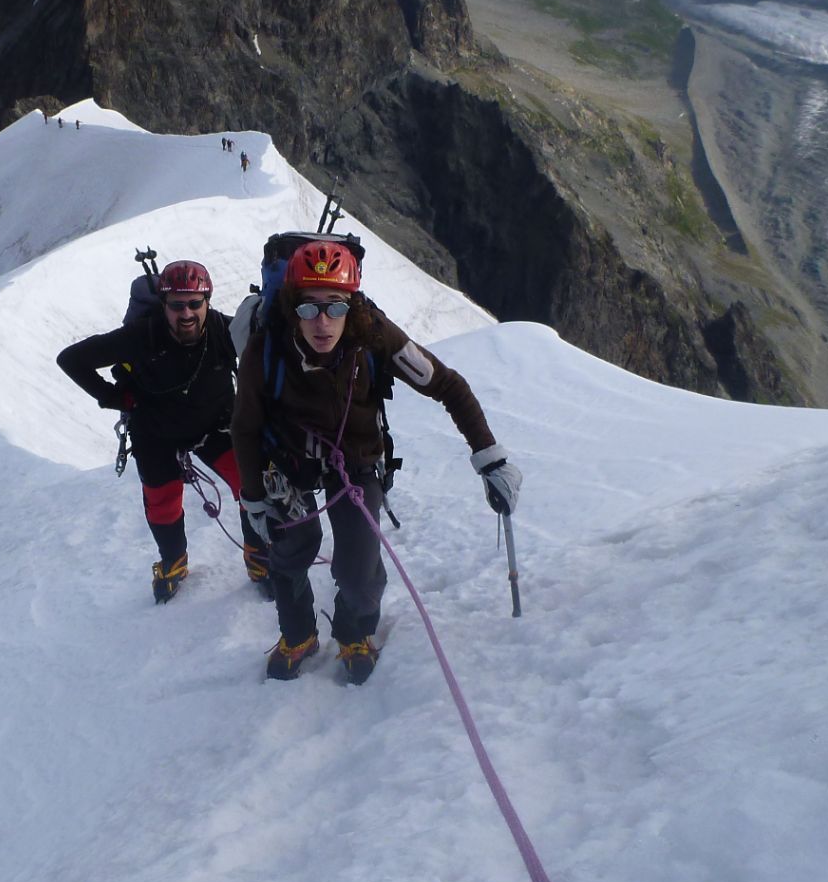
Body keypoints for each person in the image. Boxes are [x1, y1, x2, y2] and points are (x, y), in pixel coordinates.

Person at [233, 239, 521, 684]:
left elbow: (447, 385)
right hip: (286, 462)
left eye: (335, 307)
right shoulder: (265, 348)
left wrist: (489, 456)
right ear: (292, 309)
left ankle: (354, 632)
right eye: (309, 309)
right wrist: (252, 496)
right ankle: (299, 635)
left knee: (358, 566)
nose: (322, 322)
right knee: (291, 552)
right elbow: (245, 428)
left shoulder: (375, 336)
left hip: (356, 459)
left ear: (352, 306)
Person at [58, 260, 270, 602]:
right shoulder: (142, 335)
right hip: (155, 431)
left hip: (213, 425)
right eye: (176, 305)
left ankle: (260, 557)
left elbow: (268, 354)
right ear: (163, 305)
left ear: (207, 302)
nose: (186, 313)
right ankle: (174, 561)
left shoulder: (224, 331)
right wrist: (113, 398)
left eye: (194, 303)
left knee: (252, 486)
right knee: (163, 503)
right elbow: (71, 359)